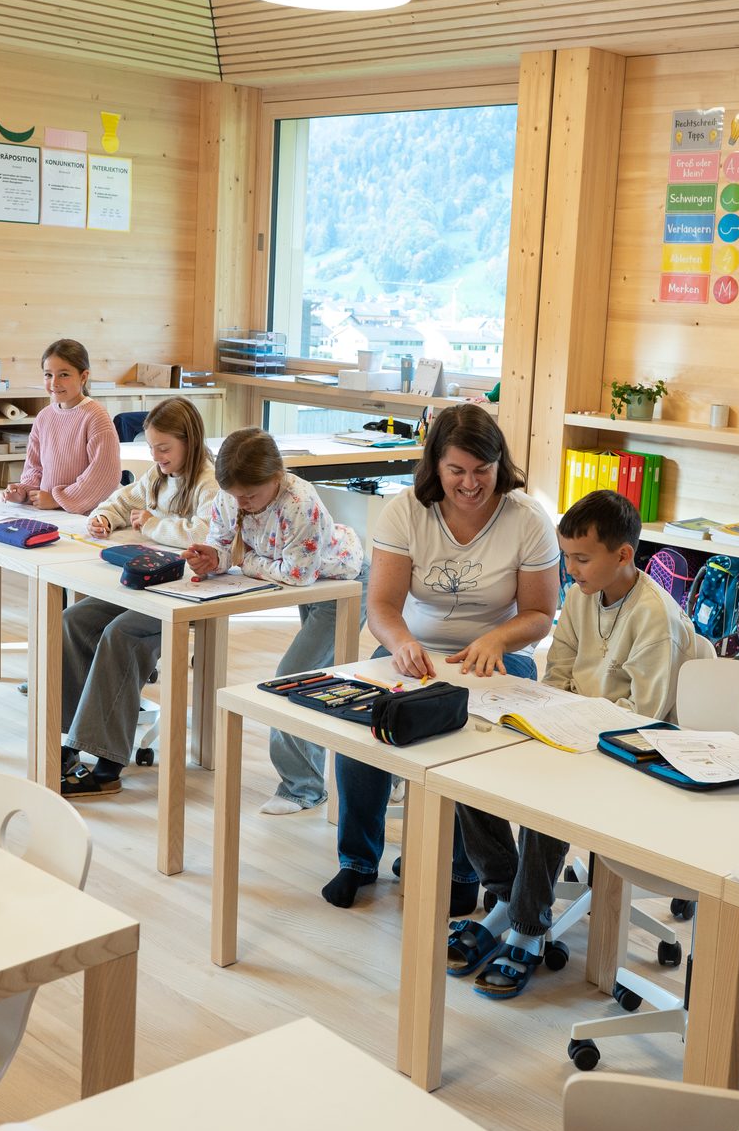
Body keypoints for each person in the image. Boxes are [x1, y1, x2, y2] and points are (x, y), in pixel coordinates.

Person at [457, 488, 703, 998]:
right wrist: (551, 720)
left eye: (582, 559)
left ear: (623, 555)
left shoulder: (654, 617)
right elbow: (560, 672)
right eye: (566, 556)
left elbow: (648, 718)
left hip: (635, 754)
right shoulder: (579, 596)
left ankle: (526, 927)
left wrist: (569, 725)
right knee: (468, 769)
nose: (570, 570)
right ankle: (507, 896)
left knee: (550, 796)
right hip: (576, 728)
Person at [327, 403, 559, 910]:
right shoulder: (405, 510)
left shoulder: (527, 519)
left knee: (465, 737)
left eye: (483, 471)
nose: (470, 483)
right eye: (457, 471)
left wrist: (497, 639)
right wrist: (402, 643)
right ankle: (357, 860)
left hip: (496, 655)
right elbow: (383, 606)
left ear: (502, 465)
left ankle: (461, 868)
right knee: (365, 728)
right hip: (414, 649)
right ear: (435, 465)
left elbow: (541, 612)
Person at [180, 428, 365, 812]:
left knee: (294, 677)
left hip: (342, 584)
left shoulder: (300, 501)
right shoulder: (231, 496)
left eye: (251, 495)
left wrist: (240, 559)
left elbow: (298, 573)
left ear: (277, 476)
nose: (243, 504)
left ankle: (304, 788)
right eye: (235, 495)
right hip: (306, 585)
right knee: (314, 680)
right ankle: (373, 776)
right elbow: (221, 537)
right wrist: (212, 557)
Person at [57, 397, 220, 797]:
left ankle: (108, 761)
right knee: (74, 620)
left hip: (186, 592)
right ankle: (75, 736)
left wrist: (153, 523)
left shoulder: (209, 481)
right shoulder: (159, 476)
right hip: (149, 579)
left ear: (190, 441)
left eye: (164, 448)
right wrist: (104, 517)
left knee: (122, 635)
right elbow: (124, 499)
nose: (156, 456)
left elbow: (202, 535)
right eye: (151, 448)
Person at [3, 338, 121, 515]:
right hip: (50, 512)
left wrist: (58, 499)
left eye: (64, 374)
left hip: (88, 517)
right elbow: (34, 466)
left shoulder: (95, 417)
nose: (54, 382)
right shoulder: (44, 417)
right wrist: (24, 491)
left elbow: (104, 475)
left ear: (83, 377)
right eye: (48, 374)